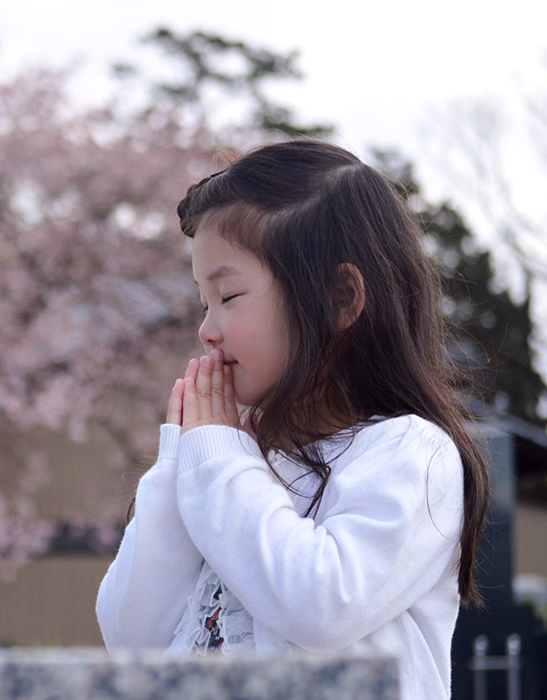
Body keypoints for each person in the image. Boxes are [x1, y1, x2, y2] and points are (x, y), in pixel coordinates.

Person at [96, 139, 491, 700]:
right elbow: (132, 637)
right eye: (202, 302)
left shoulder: (409, 452)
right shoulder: (230, 459)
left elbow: (323, 606)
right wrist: (185, 458)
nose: (207, 329)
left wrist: (220, 463)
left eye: (229, 295)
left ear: (339, 297)